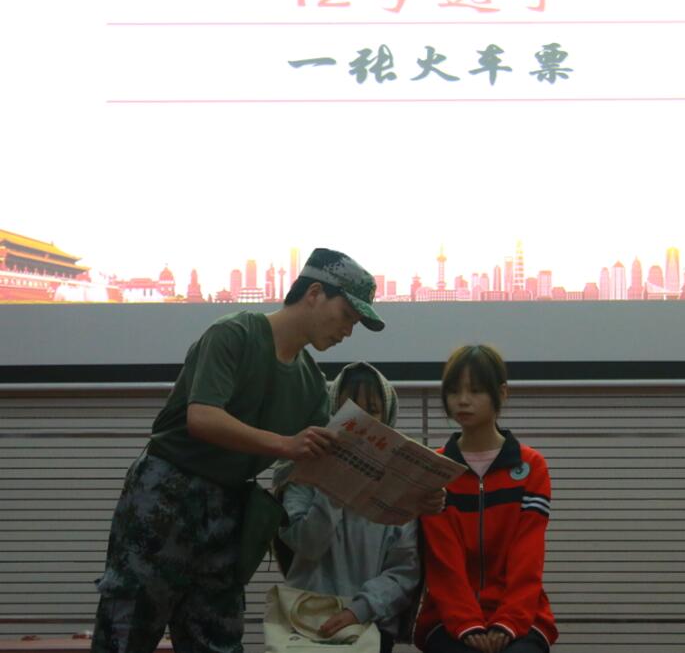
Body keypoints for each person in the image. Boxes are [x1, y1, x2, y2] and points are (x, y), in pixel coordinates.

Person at [91, 248, 385, 653]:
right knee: (128, 629)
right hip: (165, 493)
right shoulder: (235, 334)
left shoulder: (312, 386)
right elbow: (202, 417)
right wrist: (286, 445)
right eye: (347, 316)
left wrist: (408, 494)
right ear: (315, 293)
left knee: (217, 637)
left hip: (230, 508)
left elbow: (321, 463)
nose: (347, 331)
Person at [272, 362, 424, 653]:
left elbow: (405, 569)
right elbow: (308, 544)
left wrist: (359, 609)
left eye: (373, 409)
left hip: (370, 625)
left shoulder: (400, 483)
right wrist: (336, 484)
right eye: (350, 408)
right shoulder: (302, 469)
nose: (362, 419)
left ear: (387, 416)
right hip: (306, 619)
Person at [413, 345, 558, 653]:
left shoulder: (531, 466)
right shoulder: (435, 467)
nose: (462, 400)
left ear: (501, 393)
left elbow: (528, 554)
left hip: (523, 617)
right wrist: (466, 623)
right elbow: (442, 560)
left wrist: (509, 621)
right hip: (447, 618)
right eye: (454, 391)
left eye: (476, 390)